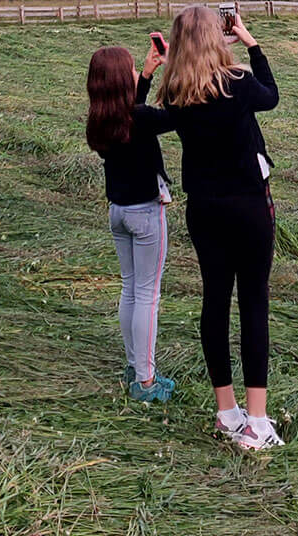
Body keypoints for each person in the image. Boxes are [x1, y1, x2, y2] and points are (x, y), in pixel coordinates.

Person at [157, 3, 284, 450]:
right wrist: (250, 41)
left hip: (204, 210)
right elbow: (271, 94)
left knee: (215, 301)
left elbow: (150, 116)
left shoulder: (175, 93)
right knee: (253, 304)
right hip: (249, 206)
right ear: (218, 38)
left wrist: (154, 69)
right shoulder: (239, 84)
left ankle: (226, 412)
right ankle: (258, 422)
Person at [85, 41, 176, 402]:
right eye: (133, 70)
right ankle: (146, 382)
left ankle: (133, 366)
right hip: (146, 216)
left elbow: (130, 110)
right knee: (147, 297)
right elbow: (175, 114)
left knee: (130, 290)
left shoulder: (101, 118)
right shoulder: (139, 120)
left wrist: (149, 74)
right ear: (123, 80)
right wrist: (174, 70)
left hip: (118, 213)